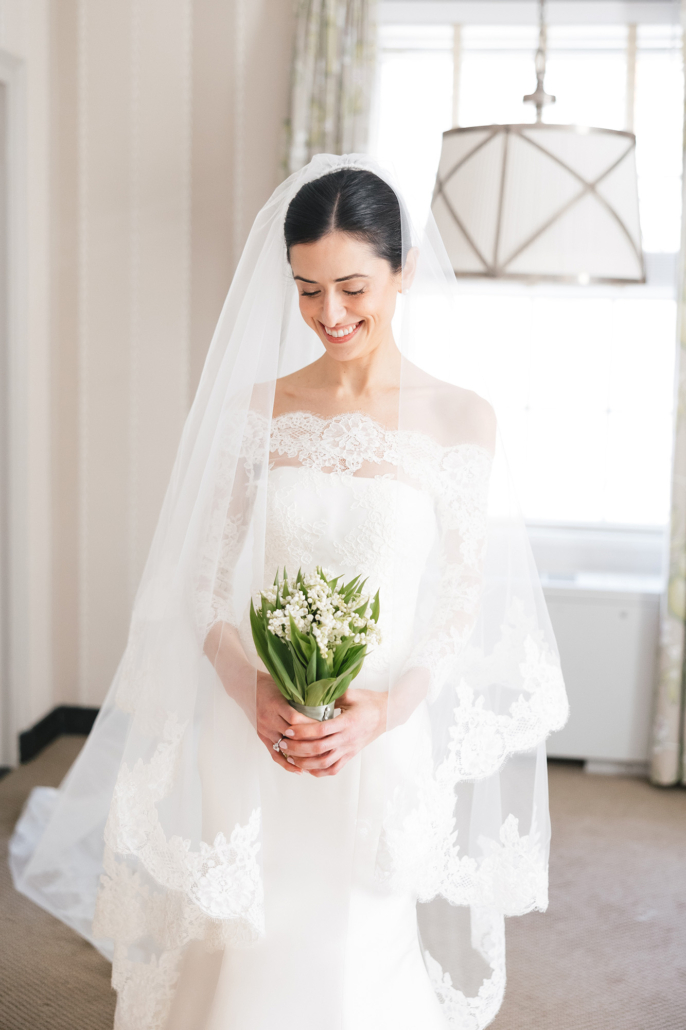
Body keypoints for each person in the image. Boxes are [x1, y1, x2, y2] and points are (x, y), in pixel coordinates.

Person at [10, 154, 568, 1030]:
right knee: (247, 943)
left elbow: (459, 602)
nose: (330, 315)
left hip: (376, 727)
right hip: (258, 721)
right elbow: (197, 579)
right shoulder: (255, 410)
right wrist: (250, 686)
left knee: (356, 940)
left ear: (404, 269)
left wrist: (386, 710)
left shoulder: (463, 419)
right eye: (307, 290)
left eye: (352, 286)